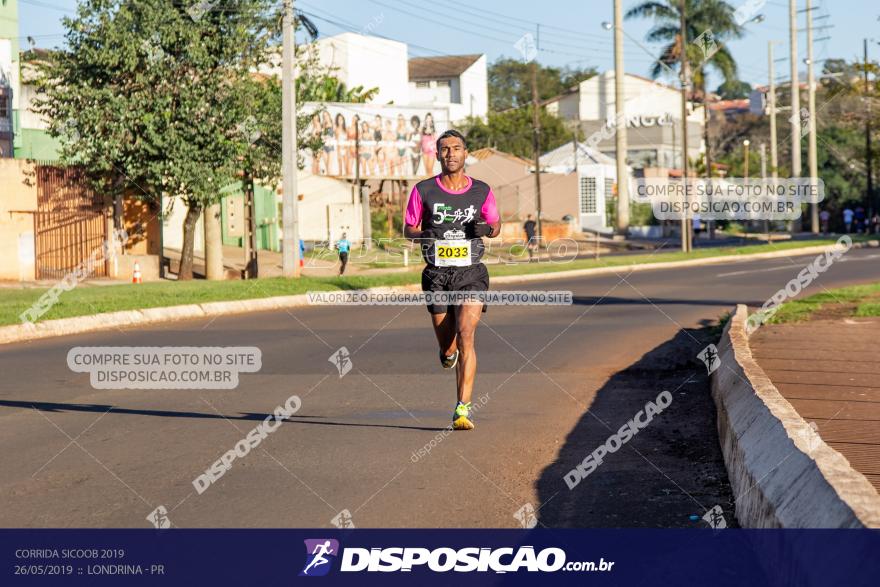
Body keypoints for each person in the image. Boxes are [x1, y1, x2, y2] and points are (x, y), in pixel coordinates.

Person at [404, 129, 500, 430]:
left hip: (471, 272)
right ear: (438, 155)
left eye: (456, 148)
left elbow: (496, 225)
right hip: (436, 274)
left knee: (466, 333)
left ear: (465, 152)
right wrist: (423, 234)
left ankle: (462, 409)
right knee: (449, 346)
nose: (451, 154)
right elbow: (408, 229)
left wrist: (486, 229)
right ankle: (447, 352)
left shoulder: (481, 190)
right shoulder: (423, 190)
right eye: (444, 149)